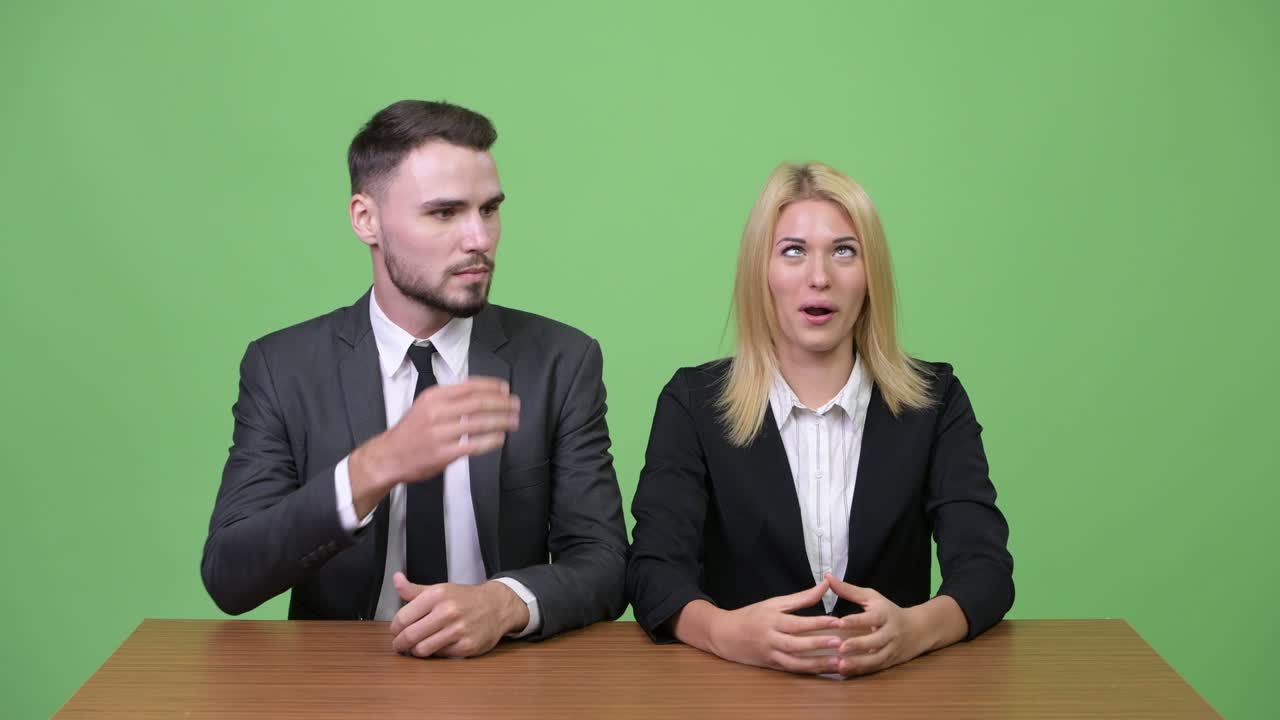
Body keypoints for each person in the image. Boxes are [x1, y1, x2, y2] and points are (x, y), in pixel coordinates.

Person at [202, 100, 628, 658]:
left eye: (489, 209)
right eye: (445, 213)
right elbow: (229, 576)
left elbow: (606, 562)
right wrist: (375, 466)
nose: (479, 238)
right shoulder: (284, 369)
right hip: (340, 681)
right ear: (366, 220)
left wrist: (505, 604)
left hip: (507, 675)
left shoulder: (560, 361)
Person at [626, 161, 1013, 677]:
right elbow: (653, 571)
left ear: (870, 275)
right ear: (760, 272)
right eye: (793, 252)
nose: (819, 277)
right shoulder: (693, 403)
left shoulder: (935, 401)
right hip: (736, 695)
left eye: (844, 251)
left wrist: (914, 631)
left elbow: (985, 570)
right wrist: (725, 632)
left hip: (893, 698)